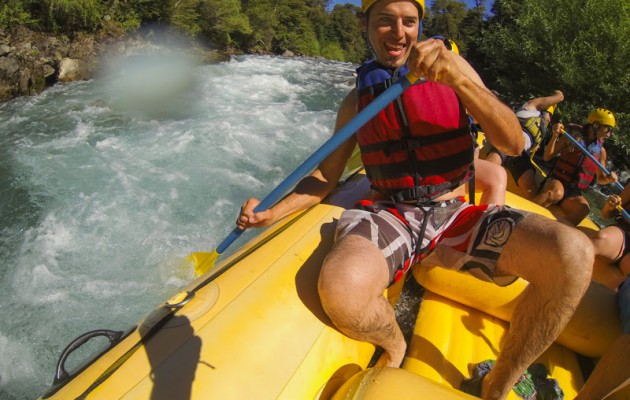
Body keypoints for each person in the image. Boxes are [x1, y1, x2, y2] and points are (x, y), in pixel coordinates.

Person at [237, 1, 593, 399]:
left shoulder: (455, 71)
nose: (399, 32)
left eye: (409, 22)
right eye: (385, 21)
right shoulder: (357, 101)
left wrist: (459, 79)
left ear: (420, 27)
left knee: (573, 253)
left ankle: (498, 383)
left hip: (456, 214)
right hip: (392, 213)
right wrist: (272, 212)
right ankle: (394, 344)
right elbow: (324, 176)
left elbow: (512, 142)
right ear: (364, 26)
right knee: (342, 289)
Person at [576, 185, 630, 399]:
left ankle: (619, 284)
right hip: (625, 236)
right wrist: (610, 206)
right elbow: (607, 214)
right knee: (599, 240)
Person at [532, 108, 618, 226]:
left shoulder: (601, 151)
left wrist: (609, 179)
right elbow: (547, 157)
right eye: (608, 129)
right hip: (557, 181)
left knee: (584, 209)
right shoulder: (571, 137)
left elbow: (601, 179)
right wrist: (555, 135)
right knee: (556, 192)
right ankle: (522, 216)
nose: (609, 134)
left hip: (573, 191)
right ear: (596, 125)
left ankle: (554, 232)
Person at [482, 91, 564, 200]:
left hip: (521, 155)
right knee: (493, 163)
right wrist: (559, 96)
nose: (549, 119)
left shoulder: (541, 131)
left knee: (531, 191)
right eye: (549, 114)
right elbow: (559, 97)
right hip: (508, 141)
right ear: (544, 109)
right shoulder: (532, 106)